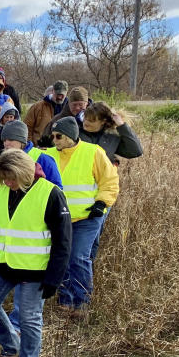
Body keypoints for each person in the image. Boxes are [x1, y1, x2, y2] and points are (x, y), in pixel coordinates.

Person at [0, 149, 71, 357]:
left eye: (12, 178)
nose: (8, 183)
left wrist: (54, 278)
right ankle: (11, 346)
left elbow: (63, 241)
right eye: (4, 178)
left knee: (29, 320)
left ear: (25, 173)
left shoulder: (51, 194)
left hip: (35, 270)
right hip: (2, 264)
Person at [43, 117, 118, 319]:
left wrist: (102, 203)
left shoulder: (93, 152)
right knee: (62, 257)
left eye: (59, 136)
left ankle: (82, 302)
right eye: (53, 136)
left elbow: (109, 181)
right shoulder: (47, 155)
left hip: (88, 217)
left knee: (78, 257)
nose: (55, 140)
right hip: (60, 220)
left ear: (71, 136)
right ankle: (65, 300)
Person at [25, 81, 68, 145]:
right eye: (57, 94)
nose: (59, 97)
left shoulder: (69, 108)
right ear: (53, 91)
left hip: (62, 149)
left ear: (66, 93)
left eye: (62, 95)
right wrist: (31, 146)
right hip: (40, 148)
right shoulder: (37, 107)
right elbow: (26, 127)